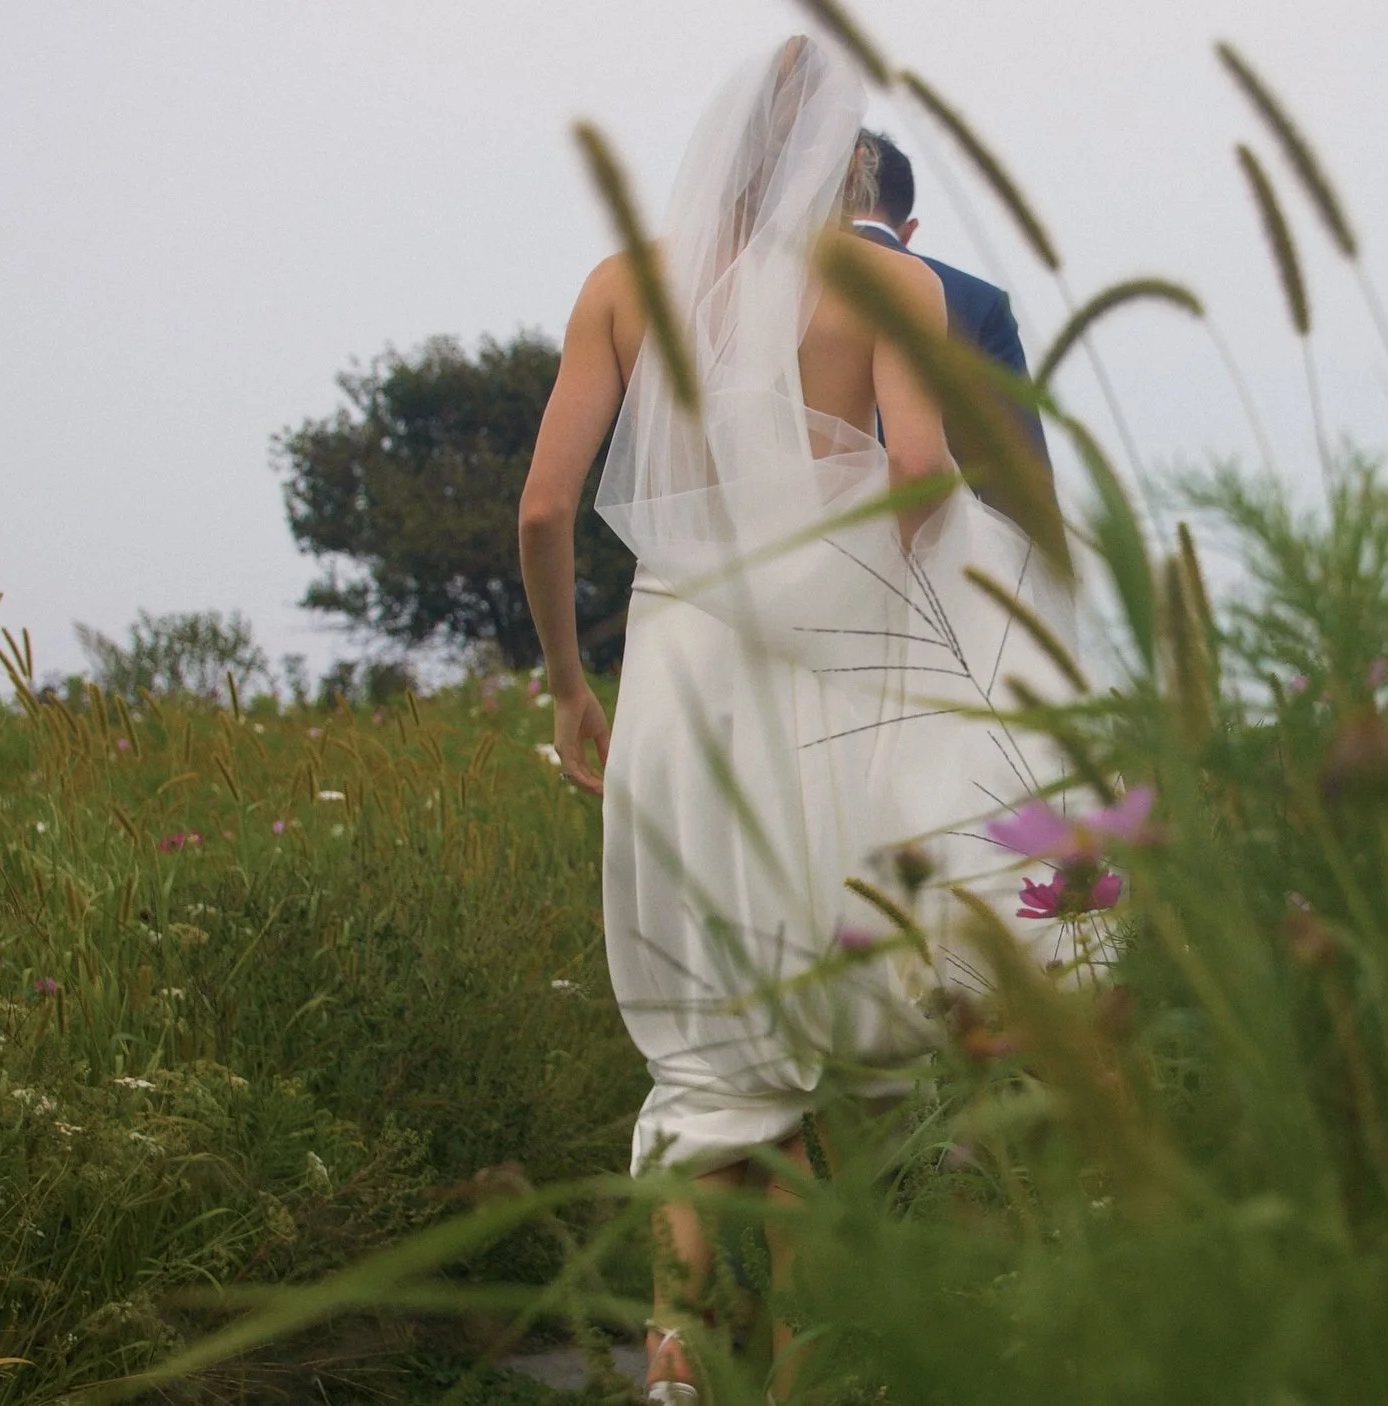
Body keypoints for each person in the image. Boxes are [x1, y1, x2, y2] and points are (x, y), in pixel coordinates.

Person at [515, 37, 1073, 1403]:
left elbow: (540, 512)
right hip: (828, 679)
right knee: (856, 1009)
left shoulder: (618, 288)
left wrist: (573, 684)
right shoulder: (888, 279)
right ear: (839, 160)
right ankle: (870, 1344)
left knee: (710, 1050)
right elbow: (924, 479)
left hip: (680, 673)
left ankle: (681, 1362)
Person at [848, 131, 1054, 493]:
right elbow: (1017, 470)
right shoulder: (975, 301)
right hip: (927, 538)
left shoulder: (756, 283)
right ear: (908, 231)